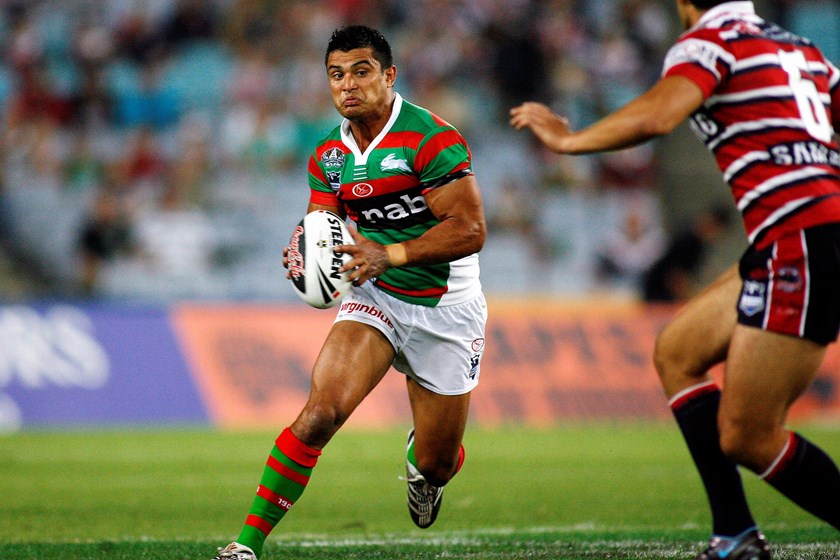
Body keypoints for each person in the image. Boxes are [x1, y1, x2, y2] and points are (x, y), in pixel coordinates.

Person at [510, 1, 839, 558]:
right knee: (677, 351)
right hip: (798, 233)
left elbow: (660, 114)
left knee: (747, 437)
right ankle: (734, 533)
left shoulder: (707, 40)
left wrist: (571, 141)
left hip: (799, 235)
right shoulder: (803, 50)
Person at [213, 25, 488, 560]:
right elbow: (324, 225)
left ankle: (424, 469)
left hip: (446, 308)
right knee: (320, 413)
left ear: (389, 76)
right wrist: (307, 254)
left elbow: (470, 230)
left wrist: (392, 253)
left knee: (438, 459)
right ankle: (246, 545)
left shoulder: (431, 138)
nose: (348, 85)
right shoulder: (328, 156)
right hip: (374, 298)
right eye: (336, 75)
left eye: (361, 72)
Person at [640, 205, 730, 303]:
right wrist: (694, 297)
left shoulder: (700, 244)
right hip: (658, 295)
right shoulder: (686, 240)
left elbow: (700, 270)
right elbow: (674, 277)